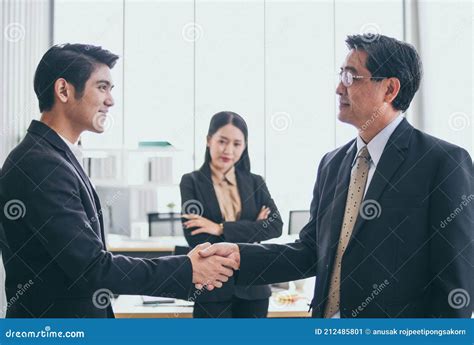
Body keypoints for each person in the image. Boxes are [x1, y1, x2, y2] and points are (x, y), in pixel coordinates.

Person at [197, 34, 473, 318]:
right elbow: (309, 252)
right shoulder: (332, 164)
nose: (339, 88)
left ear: (389, 89)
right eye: (342, 75)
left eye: (352, 77)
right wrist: (240, 255)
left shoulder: (442, 162)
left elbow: (457, 286)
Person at [0, 44, 238, 318]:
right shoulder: (40, 163)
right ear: (64, 90)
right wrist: (188, 269)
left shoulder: (56, 156)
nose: (110, 100)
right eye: (102, 87)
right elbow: (92, 267)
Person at [180, 111, 283, 318]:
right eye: (222, 141)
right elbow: (197, 238)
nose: (228, 150)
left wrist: (220, 228)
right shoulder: (191, 182)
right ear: (209, 140)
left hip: (254, 287)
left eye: (237, 144)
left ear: (244, 146)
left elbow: (275, 226)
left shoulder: (256, 182)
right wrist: (254, 228)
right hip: (211, 287)